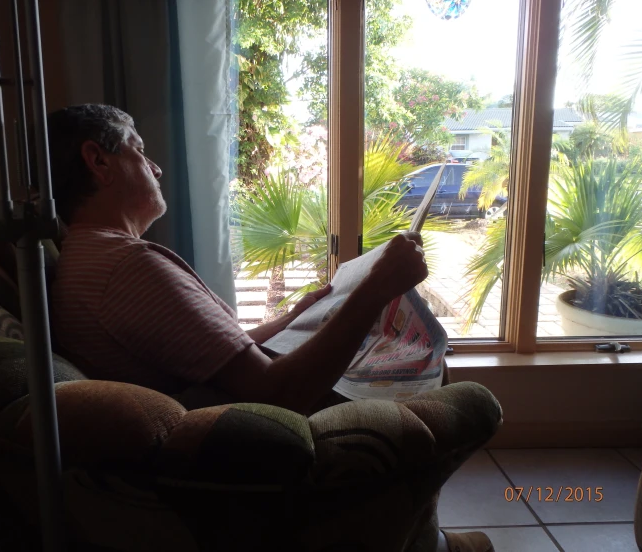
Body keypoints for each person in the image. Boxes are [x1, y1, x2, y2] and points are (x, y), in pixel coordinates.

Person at [48, 105, 498, 552]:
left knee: (396, 348)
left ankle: (418, 536)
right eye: (140, 151)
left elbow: (211, 355)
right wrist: (375, 290)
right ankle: (420, 543)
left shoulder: (91, 258)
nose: (157, 167)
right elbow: (275, 394)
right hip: (248, 441)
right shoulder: (127, 268)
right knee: (425, 369)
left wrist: (292, 318)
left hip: (213, 414)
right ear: (99, 161)